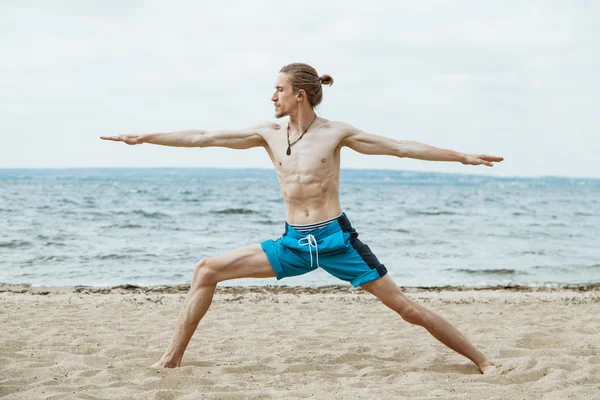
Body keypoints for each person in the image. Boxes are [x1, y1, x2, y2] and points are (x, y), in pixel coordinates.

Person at [101, 62, 502, 374]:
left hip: (336, 241)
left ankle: (483, 361)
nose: (272, 95)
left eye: (279, 88)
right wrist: (144, 137)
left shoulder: (335, 133)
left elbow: (398, 147)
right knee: (206, 270)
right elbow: (202, 137)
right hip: (294, 243)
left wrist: (461, 156)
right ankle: (172, 359)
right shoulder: (268, 133)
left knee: (407, 309)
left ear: (301, 95)